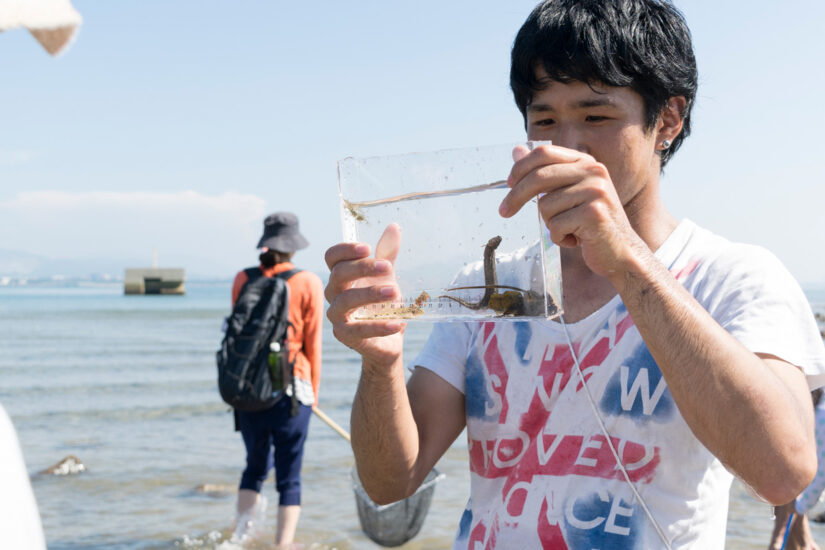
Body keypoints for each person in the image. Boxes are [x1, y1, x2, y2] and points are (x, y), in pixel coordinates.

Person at [323, 1, 825, 548]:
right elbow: (390, 480)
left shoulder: (734, 278)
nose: (566, 146)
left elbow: (783, 472)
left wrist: (626, 260)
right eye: (544, 120)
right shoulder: (485, 287)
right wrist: (381, 362)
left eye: (596, 116)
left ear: (669, 120)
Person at [231, 212, 323, 548]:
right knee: (289, 478)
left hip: (250, 389)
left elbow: (241, 340)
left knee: (254, 468)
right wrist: (315, 394)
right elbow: (312, 346)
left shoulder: (243, 278)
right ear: (294, 245)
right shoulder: (308, 281)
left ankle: (239, 538)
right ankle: (283, 546)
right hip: (292, 390)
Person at [768, 390, 825, 550]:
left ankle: (791, 541)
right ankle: (780, 541)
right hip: (810, 412)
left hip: (807, 406)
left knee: (791, 482)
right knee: (795, 490)